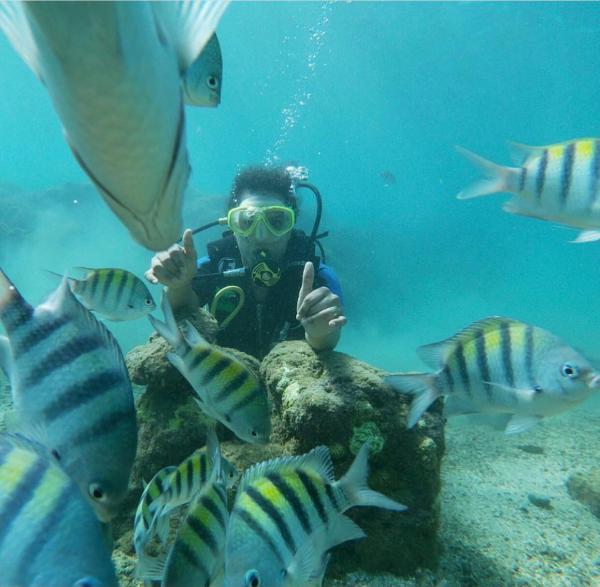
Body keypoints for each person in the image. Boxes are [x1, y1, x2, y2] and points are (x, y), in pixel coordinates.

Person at [145, 165, 346, 359]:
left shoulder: (318, 277)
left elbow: (327, 342)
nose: (261, 236)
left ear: (291, 225)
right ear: (232, 225)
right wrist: (179, 285)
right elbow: (181, 311)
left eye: (276, 222)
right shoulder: (214, 265)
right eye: (247, 222)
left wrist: (320, 334)